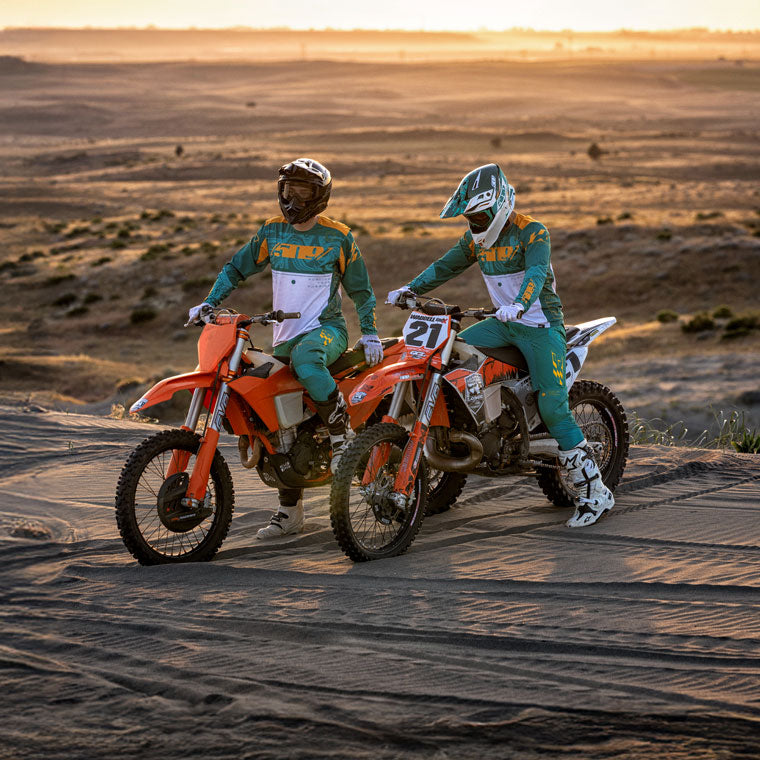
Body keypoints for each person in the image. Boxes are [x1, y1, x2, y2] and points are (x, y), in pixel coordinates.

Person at [386, 163, 614, 527]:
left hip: (540, 326)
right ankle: (475, 428)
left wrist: (520, 304)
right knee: (451, 355)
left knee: (553, 407)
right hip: (503, 324)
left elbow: (536, 273)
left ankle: (596, 493)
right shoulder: (475, 240)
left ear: (502, 204)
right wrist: (410, 289)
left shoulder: (532, 232)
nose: (475, 223)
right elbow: (444, 267)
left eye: (480, 216)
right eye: (471, 217)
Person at [189, 158, 382, 539]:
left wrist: (371, 333)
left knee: (306, 361)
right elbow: (236, 269)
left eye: (303, 192)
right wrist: (210, 302)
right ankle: (290, 513)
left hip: (326, 331)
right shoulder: (272, 231)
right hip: (284, 337)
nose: (293, 199)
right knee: (275, 423)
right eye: (287, 190)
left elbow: (361, 291)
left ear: (320, 196)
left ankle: (342, 436)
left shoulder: (339, 237)